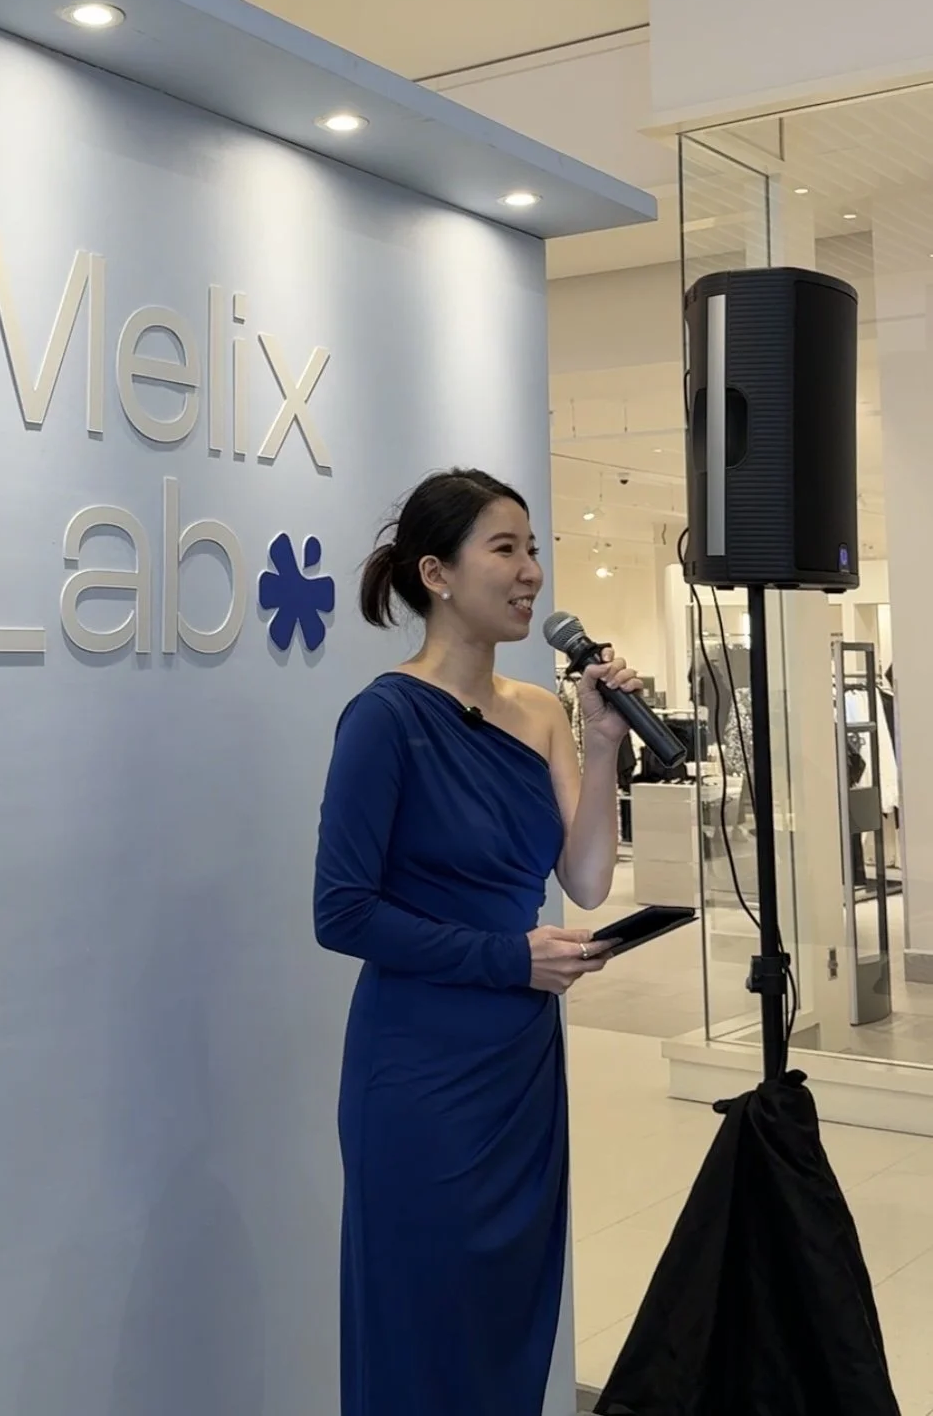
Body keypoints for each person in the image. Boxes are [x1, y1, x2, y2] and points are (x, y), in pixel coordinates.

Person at [314, 468, 642, 1416]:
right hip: (419, 1071)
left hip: (519, 1067)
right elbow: (342, 911)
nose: (531, 570)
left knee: (506, 1316)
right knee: (422, 1319)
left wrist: (603, 743)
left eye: (532, 548)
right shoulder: (385, 718)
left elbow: (584, 880)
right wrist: (511, 959)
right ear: (437, 573)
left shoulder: (541, 711)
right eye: (506, 548)